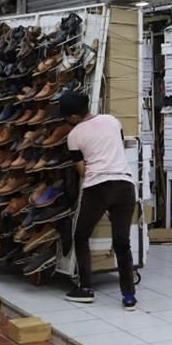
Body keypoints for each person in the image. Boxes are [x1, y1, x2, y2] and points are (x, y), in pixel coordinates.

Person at [59, 92, 137, 310]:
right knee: (122, 243)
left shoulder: (74, 136)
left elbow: (83, 170)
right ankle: (129, 296)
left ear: (74, 117)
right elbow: (118, 147)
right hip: (125, 185)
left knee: (81, 235)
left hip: (98, 188)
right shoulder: (112, 120)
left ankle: (85, 288)